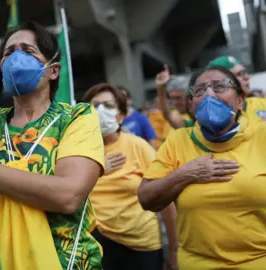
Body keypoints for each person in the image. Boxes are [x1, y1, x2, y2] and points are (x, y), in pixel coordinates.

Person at [0, 21, 105, 269]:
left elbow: (68, 195)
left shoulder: (76, 118)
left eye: (28, 51)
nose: (16, 58)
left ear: (53, 70)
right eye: (8, 52)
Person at [138, 67, 266, 269]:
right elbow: (146, 199)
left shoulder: (262, 136)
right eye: (199, 91)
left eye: (219, 86)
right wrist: (185, 174)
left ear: (240, 100)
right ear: (191, 105)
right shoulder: (178, 141)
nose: (209, 95)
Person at [83, 83, 177, 270]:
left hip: (141, 245)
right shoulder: (78, 151)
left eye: (108, 106)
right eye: (94, 106)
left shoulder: (138, 146)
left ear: (122, 115)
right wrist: (97, 170)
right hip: (95, 244)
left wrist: (174, 250)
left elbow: (165, 201)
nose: (100, 111)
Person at [208, 56, 266, 122]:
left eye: (244, 72)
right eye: (239, 74)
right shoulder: (213, 119)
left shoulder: (261, 102)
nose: (246, 77)